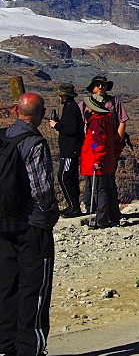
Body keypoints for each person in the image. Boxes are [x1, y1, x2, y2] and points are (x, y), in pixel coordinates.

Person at [0, 93, 59, 356]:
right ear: (42, 114)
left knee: (6, 286)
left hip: (3, 224)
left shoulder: (2, 138)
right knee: (34, 289)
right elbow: (42, 189)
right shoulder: (34, 142)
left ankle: (5, 345)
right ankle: (29, 349)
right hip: (32, 227)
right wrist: (49, 215)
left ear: (15, 111)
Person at [80, 76, 128, 214]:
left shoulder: (114, 102)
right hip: (91, 148)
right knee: (91, 181)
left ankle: (108, 212)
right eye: (97, 85)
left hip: (103, 148)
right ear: (92, 87)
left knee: (107, 181)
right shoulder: (83, 104)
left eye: (103, 85)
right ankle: (94, 208)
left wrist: (115, 141)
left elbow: (122, 121)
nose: (100, 87)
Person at [49, 83, 85, 218]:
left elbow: (72, 129)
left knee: (64, 177)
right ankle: (73, 206)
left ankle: (74, 207)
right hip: (69, 149)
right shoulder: (69, 107)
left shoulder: (71, 108)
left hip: (70, 150)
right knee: (70, 177)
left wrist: (56, 125)